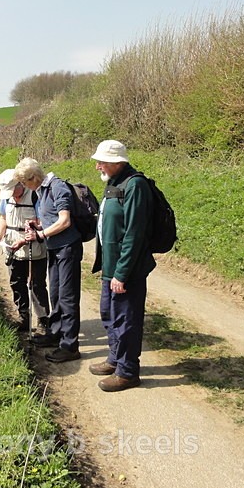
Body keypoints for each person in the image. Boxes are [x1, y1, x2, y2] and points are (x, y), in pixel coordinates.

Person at [89, 140, 156, 392]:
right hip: (111, 268)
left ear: (118, 162)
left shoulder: (135, 185)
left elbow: (134, 235)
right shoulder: (114, 183)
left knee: (126, 320)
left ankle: (127, 372)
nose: (97, 166)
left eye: (102, 161)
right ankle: (115, 359)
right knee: (109, 315)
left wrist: (122, 273)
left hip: (126, 270)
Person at [15, 158, 83, 363]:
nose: (24, 187)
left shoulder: (58, 188)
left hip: (67, 248)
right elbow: (50, 218)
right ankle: (55, 333)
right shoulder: (41, 191)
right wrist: (36, 224)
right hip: (54, 249)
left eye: (25, 183)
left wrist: (40, 235)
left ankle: (70, 346)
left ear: (33, 177)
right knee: (55, 293)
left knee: (68, 297)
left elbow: (64, 221)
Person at [0, 169, 50, 334]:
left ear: (20, 184)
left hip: (35, 249)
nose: (12, 195)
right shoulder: (7, 198)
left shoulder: (34, 196)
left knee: (36, 284)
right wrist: (0, 233)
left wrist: (25, 239)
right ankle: (24, 316)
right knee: (16, 282)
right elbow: (3, 217)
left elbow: (42, 222)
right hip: (13, 248)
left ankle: (43, 320)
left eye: (13, 191)